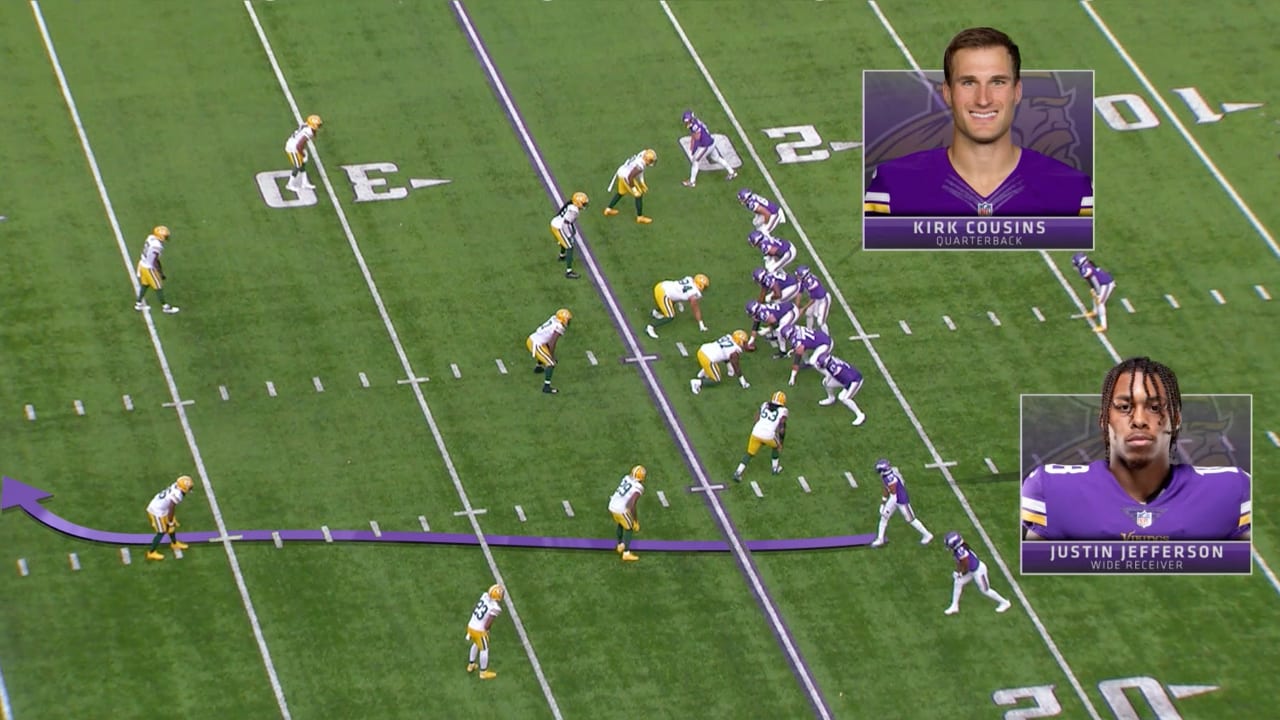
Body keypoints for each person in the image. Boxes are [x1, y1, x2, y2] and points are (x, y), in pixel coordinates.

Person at [863, 28, 1092, 217]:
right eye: (968, 83)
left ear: (1017, 91)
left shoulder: (1074, 191)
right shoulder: (893, 185)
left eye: (998, 82)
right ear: (948, 92)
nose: (983, 99)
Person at [1021, 357, 1251, 541]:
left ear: (1176, 418)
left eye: (1154, 407)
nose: (1139, 420)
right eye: (1124, 407)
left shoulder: (1230, 490)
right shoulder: (1052, 490)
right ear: (1104, 419)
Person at [943, 531, 1011, 615]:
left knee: (985, 590)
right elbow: (960, 562)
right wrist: (958, 571)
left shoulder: (960, 551)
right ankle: (954, 606)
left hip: (978, 571)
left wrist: (960, 573)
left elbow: (966, 565)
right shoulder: (959, 550)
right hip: (972, 570)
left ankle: (1005, 602)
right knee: (958, 582)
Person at [871, 459, 934, 547]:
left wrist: (886, 504)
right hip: (894, 498)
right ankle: (880, 539)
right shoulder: (886, 477)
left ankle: (927, 535)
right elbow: (886, 488)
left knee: (911, 519)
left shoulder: (890, 478)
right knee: (884, 517)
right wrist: (883, 502)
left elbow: (893, 492)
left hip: (901, 500)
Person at [733, 391, 788, 482]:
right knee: (776, 446)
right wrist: (781, 442)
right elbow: (782, 428)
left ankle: (738, 472)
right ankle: (775, 468)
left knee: (749, 453)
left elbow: (756, 417)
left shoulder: (765, 404)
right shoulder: (783, 411)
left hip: (756, 432)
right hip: (768, 435)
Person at [144, 475, 194, 561]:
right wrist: (170, 520)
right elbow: (171, 507)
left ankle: (174, 543)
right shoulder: (178, 494)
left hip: (162, 507)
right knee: (161, 531)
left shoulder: (177, 486)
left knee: (171, 526)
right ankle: (151, 553)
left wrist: (171, 521)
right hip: (156, 510)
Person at [681, 110, 737, 187]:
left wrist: (693, 147)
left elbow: (697, 137)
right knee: (716, 158)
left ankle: (692, 182)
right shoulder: (696, 122)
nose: (686, 123)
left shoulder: (694, 126)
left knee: (695, 161)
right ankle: (732, 172)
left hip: (706, 146)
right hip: (711, 141)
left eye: (687, 121)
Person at [645, 274, 710, 339]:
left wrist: (679, 303)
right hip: (664, 293)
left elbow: (680, 291)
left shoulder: (689, 279)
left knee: (671, 303)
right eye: (705, 287)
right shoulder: (693, 293)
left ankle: (656, 312)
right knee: (670, 316)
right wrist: (701, 323)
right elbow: (695, 308)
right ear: (700, 285)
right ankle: (650, 327)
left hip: (662, 285)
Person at [134, 226, 180, 314]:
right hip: (148, 267)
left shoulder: (151, 238)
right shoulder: (157, 246)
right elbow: (155, 260)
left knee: (145, 285)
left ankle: (138, 303)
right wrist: (160, 272)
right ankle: (165, 307)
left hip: (142, 264)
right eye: (165, 236)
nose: (166, 238)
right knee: (158, 286)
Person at [603, 149, 656, 224]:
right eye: (650, 161)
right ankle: (640, 217)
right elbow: (630, 177)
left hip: (622, 171)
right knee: (639, 195)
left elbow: (641, 170)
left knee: (621, 192)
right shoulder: (640, 165)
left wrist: (642, 183)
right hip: (626, 176)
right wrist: (634, 190)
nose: (651, 162)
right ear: (646, 159)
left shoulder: (643, 154)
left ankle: (608, 210)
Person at [526, 309, 572, 394]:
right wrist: (552, 356)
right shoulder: (559, 327)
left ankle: (538, 367)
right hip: (536, 344)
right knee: (550, 363)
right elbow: (552, 343)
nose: (568, 321)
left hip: (534, 338)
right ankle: (546, 387)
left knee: (546, 348)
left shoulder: (554, 318)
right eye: (567, 319)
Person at [690, 330, 751, 395]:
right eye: (744, 342)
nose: (745, 343)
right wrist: (743, 381)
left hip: (702, 350)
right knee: (716, 379)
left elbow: (725, 354)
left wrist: (730, 370)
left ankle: (704, 372)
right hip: (707, 358)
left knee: (715, 360)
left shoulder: (728, 337)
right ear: (739, 341)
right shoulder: (734, 351)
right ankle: (696, 382)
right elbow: (736, 366)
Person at [465, 584, 505, 680]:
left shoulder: (484, 596)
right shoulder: (495, 608)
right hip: (479, 630)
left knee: (476, 644)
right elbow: (487, 624)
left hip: (471, 625)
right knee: (484, 649)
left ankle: (471, 665)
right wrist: (487, 631)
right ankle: (483, 672)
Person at [608, 465, 647, 562]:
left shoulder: (626, 478)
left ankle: (620, 545)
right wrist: (635, 520)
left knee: (621, 523)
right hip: (621, 509)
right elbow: (631, 505)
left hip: (612, 504)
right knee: (629, 527)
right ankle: (626, 553)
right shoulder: (638, 487)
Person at [1071, 252, 1115, 333]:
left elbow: (1094, 281)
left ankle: (1103, 326)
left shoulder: (1086, 270)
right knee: (1095, 296)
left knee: (1100, 302)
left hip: (1106, 283)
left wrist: (1097, 292)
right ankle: (1095, 312)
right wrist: (1093, 289)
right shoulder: (1086, 266)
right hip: (1101, 283)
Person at [818, 355, 867, 426]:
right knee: (826, 383)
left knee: (844, 398)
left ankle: (860, 415)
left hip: (855, 380)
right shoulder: (831, 362)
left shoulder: (834, 368)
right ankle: (831, 398)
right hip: (847, 379)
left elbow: (835, 373)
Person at [550, 192, 589, 280]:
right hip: (559, 226)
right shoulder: (574, 210)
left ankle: (562, 256)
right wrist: (570, 232)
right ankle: (569, 272)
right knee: (569, 246)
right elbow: (566, 223)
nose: (585, 204)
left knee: (566, 240)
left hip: (557, 223)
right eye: (583, 203)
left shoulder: (572, 205)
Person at [284, 114, 323, 193]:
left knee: (303, 163)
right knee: (298, 165)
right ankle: (289, 184)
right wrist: (302, 154)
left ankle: (304, 183)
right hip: (293, 148)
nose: (319, 126)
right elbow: (299, 145)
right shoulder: (308, 131)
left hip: (295, 144)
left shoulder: (306, 125)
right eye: (317, 125)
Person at [794, 266, 830, 334]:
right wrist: (796, 307)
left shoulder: (811, 283)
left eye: (799, 275)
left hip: (823, 300)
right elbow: (799, 293)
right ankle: (809, 331)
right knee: (808, 313)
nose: (797, 276)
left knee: (820, 322)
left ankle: (827, 338)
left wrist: (803, 309)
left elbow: (813, 299)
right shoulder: (804, 280)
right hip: (816, 299)